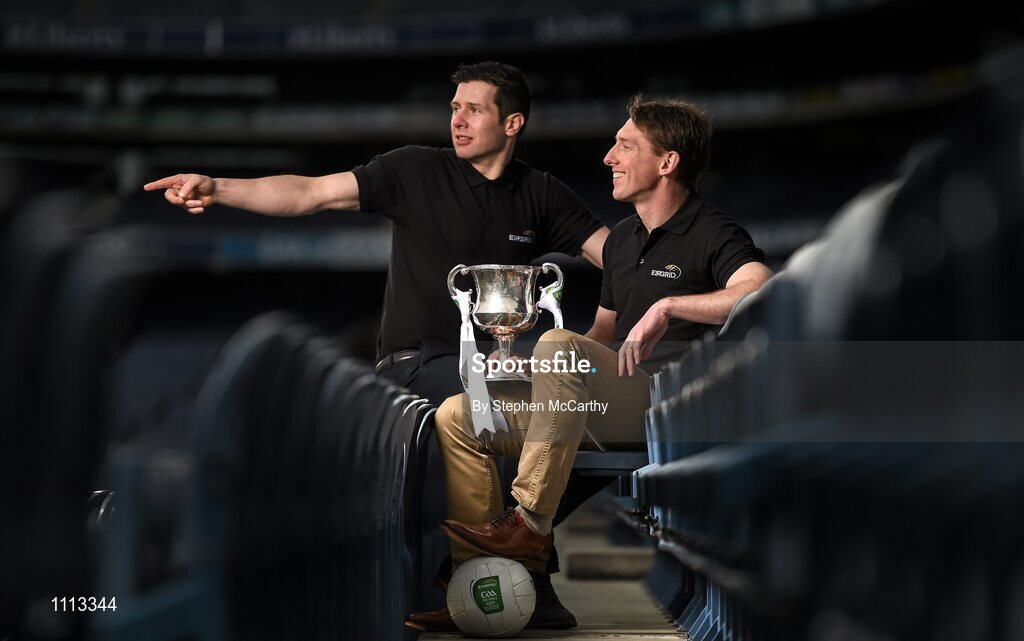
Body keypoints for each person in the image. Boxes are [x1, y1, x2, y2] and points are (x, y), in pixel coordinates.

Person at [144, 61, 608, 630]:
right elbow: (310, 194)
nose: (457, 120)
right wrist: (219, 188)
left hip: (495, 367)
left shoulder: (542, 194)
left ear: (512, 123)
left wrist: (678, 284)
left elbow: (615, 256)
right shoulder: (414, 169)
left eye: (474, 109)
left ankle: (511, 570)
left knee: (580, 413)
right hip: (417, 366)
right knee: (490, 409)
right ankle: (519, 581)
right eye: (454, 107)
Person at [406, 95, 773, 631]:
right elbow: (599, 335)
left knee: (557, 343)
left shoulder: (711, 230)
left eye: (625, 145)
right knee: (459, 417)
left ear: (667, 162)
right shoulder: (623, 238)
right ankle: (484, 590)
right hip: (599, 401)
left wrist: (670, 306)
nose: (609, 157)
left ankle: (529, 523)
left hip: (662, 404)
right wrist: (526, 370)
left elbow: (758, 287)